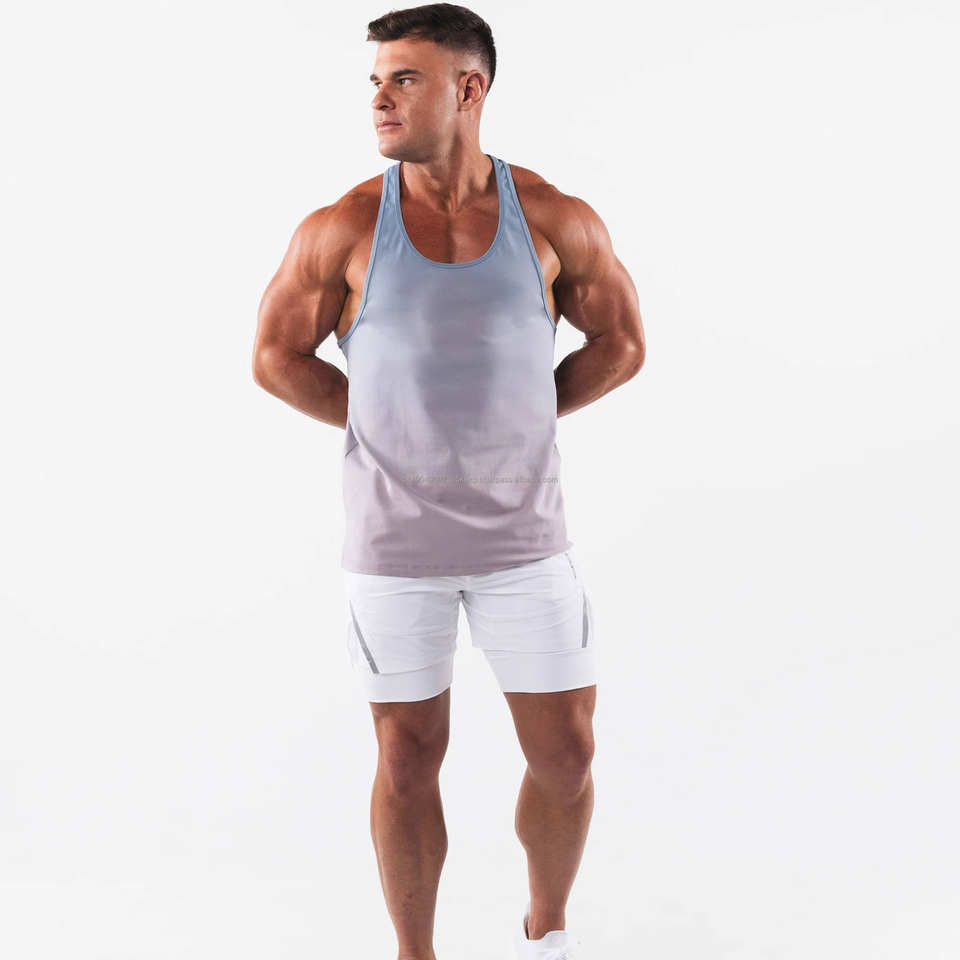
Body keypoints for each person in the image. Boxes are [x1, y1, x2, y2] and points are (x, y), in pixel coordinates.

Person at [252, 5, 644, 957]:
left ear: (470, 89)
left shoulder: (552, 217)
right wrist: (388, 428)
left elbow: (622, 342)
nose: (380, 99)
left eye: (405, 79)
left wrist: (523, 420)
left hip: (525, 545)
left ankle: (546, 932)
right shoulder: (344, 226)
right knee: (406, 756)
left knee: (567, 755)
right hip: (396, 549)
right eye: (376, 81)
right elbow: (275, 355)